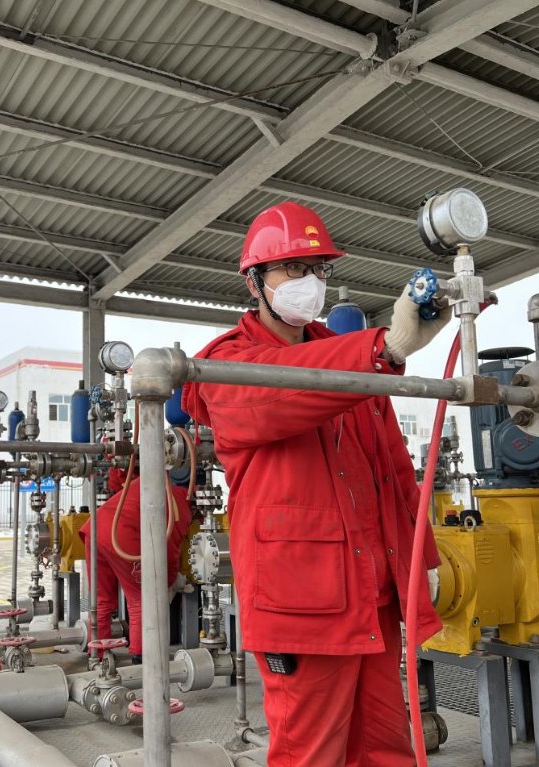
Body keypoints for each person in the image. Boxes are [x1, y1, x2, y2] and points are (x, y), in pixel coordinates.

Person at [182, 201, 446, 766]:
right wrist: (383, 349)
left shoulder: (354, 364)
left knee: (385, 749)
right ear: (255, 281)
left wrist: (421, 560)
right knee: (311, 755)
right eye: (293, 269)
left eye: (318, 269)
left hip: (372, 593)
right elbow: (279, 393)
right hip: (302, 602)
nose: (310, 281)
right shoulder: (229, 364)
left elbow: (394, 471)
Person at [80, 465, 193, 663]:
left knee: (101, 600)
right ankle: (141, 656)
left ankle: (97, 653)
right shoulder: (181, 506)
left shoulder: (150, 484)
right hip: (120, 534)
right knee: (141, 598)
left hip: (94, 530)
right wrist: (171, 579)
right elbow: (170, 548)